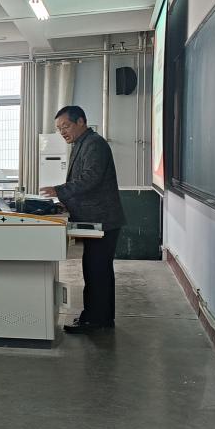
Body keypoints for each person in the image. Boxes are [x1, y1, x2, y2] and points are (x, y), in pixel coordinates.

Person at [40, 105, 126, 334]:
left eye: (66, 126)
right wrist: (66, 202)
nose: (62, 132)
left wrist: (59, 191)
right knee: (95, 269)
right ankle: (99, 317)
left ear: (81, 122)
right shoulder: (82, 143)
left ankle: (96, 320)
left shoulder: (94, 144)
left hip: (102, 220)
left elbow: (90, 178)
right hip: (96, 218)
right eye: (59, 129)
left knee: (97, 271)